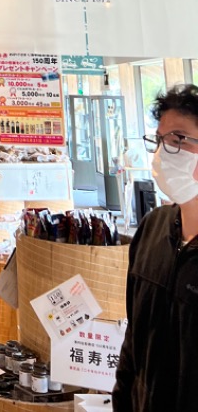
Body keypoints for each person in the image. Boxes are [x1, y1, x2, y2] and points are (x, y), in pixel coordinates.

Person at [112, 84, 198, 412]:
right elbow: (133, 342)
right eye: (160, 140)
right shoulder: (152, 230)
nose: (164, 153)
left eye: (178, 139)